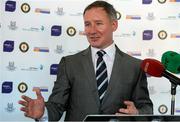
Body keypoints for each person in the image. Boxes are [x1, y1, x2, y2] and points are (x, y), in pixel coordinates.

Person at [19, 0, 153, 121]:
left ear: (114, 25)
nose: (92, 31)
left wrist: (138, 113)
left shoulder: (135, 66)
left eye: (99, 23)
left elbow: (146, 108)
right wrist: (43, 113)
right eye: (87, 24)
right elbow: (57, 105)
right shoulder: (69, 64)